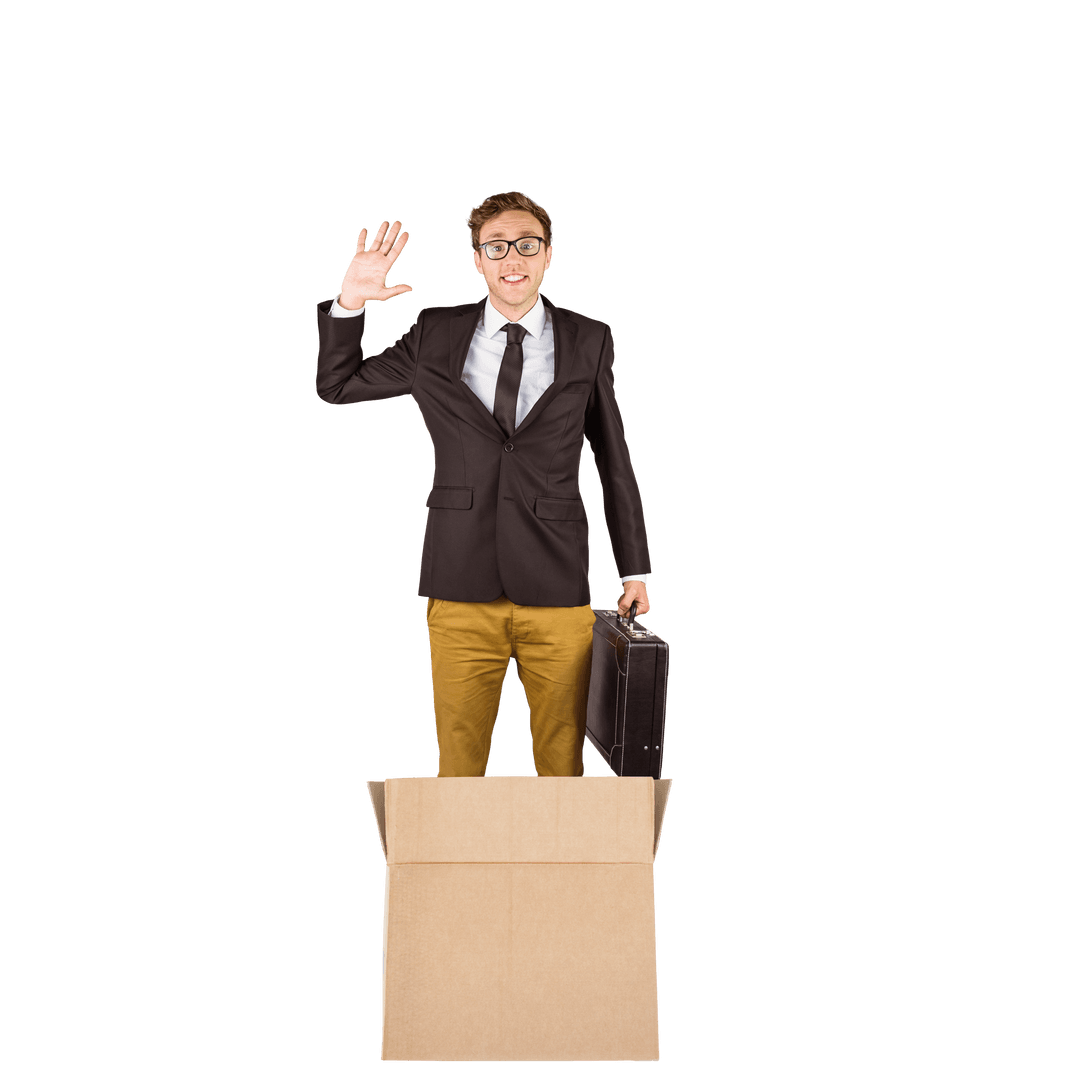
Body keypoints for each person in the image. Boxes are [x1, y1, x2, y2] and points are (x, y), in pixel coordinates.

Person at [315, 191, 651, 777]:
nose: (511, 258)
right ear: (477, 259)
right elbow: (338, 386)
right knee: (459, 768)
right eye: (496, 247)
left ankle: (561, 871)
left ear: (549, 255)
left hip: (558, 586)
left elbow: (615, 459)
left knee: (561, 768)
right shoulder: (435, 332)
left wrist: (634, 570)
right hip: (459, 582)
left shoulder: (589, 338)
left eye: (527, 244)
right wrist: (349, 303)